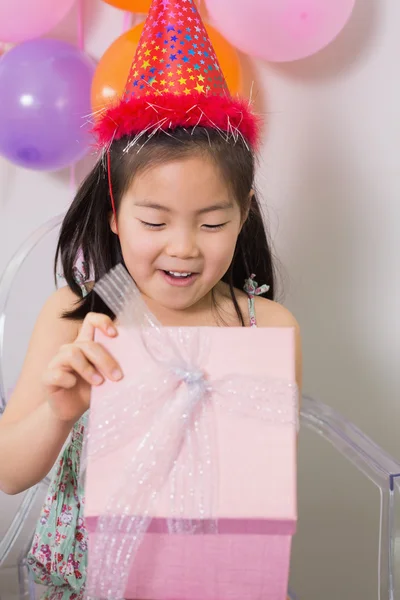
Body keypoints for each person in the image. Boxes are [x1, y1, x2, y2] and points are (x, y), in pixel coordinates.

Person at [0, 0, 302, 598]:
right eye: (155, 221)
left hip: (216, 575)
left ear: (243, 216)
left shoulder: (265, 326)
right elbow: (10, 472)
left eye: (212, 224)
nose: (184, 248)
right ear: (114, 215)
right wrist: (63, 409)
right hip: (88, 577)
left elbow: (267, 472)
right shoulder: (76, 317)